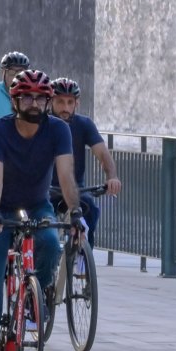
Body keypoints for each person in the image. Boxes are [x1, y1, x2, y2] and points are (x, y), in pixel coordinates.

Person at [0, 69, 80, 351]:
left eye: (40, 98)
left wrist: (75, 213)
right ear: (15, 101)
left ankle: (39, 297)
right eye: (27, 98)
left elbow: (65, 176)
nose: (34, 103)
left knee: (49, 241)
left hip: (37, 205)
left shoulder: (59, 131)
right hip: (0, 208)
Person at [47, 77, 121, 234]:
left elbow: (102, 153)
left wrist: (112, 176)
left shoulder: (84, 124)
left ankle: (83, 256)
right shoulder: (42, 124)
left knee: (90, 211)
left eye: (70, 102)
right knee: (43, 229)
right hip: (46, 189)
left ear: (77, 103)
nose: (65, 108)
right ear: (50, 102)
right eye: (60, 102)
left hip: (76, 189)